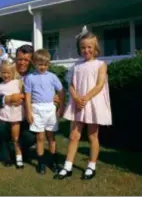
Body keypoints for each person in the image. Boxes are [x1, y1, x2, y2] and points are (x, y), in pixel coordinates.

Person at [53, 26, 112, 180]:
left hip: (92, 103)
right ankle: (67, 166)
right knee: (74, 135)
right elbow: (71, 85)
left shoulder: (101, 64)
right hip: (78, 103)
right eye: (83, 47)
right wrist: (76, 98)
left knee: (93, 135)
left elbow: (99, 85)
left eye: (89, 47)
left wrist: (85, 98)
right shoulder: (77, 66)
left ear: (95, 48)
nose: (86, 50)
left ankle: (91, 166)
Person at [0, 45, 35, 166]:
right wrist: (7, 99)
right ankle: (6, 155)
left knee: (30, 136)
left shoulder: (36, 77)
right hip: (6, 116)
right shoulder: (4, 76)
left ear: (31, 61)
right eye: (19, 59)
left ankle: (22, 151)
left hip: (26, 118)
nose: (22, 62)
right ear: (15, 59)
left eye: (26, 60)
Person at [24, 49, 65, 174]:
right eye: (40, 64)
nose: (43, 67)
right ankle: (41, 163)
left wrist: (61, 107)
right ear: (34, 62)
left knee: (51, 137)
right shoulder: (30, 78)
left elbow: (61, 91)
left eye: (45, 65)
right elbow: (28, 97)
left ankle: (53, 162)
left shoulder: (52, 77)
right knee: (40, 138)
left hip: (50, 110)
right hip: (37, 109)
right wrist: (29, 112)